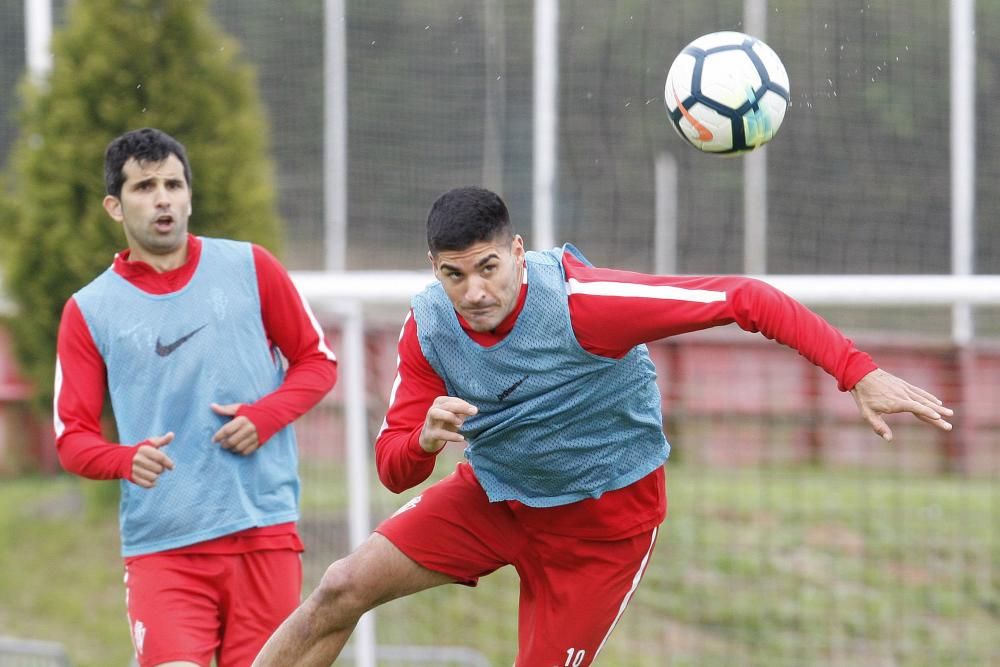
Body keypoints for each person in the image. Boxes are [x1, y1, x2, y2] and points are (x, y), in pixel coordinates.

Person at [252, 186, 953, 667]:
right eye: (454, 274)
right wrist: (426, 439)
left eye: (489, 267)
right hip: (495, 499)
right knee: (341, 585)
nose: (475, 292)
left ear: (519, 250)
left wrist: (856, 370)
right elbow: (393, 466)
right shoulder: (430, 328)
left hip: (601, 531)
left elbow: (744, 298)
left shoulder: (587, 303)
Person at [54, 127, 338, 667]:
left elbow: (317, 362)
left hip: (264, 535)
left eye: (173, 184)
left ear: (188, 195)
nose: (163, 197)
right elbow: (72, 439)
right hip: (163, 548)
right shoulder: (89, 310)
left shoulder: (251, 267)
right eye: (144, 187)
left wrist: (266, 415)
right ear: (114, 206)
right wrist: (124, 459)